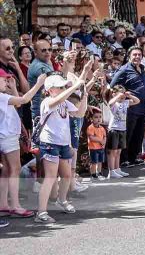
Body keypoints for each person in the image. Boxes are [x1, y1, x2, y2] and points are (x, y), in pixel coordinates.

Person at [35, 73, 98, 224]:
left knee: (66, 176)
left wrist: (84, 95)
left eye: (64, 86)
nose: (64, 88)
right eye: (60, 86)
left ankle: (61, 200)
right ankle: (41, 212)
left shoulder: (64, 103)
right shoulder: (47, 101)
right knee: (50, 177)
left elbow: (79, 112)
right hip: (50, 143)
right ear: (50, 89)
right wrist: (75, 86)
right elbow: (57, 100)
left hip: (64, 143)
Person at [0, 70, 46, 218]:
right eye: (4, 80)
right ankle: (15, 205)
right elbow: (25, 100)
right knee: (15, 169)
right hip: (8, 136)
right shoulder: (2, 97)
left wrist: (13, 88)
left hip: (6, 136)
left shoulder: (4, 97)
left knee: (7, 170)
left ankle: (3, 204)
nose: (6, 82)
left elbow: (17, 105)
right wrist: (39, 83)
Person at [109, 46, 145, 166]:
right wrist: (124, 95)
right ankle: (124, 159)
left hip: (143, 106)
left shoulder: (142, 68)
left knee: (139, 133)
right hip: (130, 106)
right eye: (134, 55)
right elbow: (113, 85)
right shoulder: (124, 69)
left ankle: (134, 156)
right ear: (129, 56)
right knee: (129, 134)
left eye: (139, 55)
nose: (137, 57)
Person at [103, 85, 139, 179]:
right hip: (114, 129)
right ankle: (111, 171)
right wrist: (117, 97)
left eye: (123, 93)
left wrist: (129, 96)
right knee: (113, 151)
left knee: (118, 151)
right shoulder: (114, 103)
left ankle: (117, 168)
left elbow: (137, 101)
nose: (122, 96)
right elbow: (109, 103)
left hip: (122, 129)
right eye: (121, 93)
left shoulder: (125, 102)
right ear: (114, 94)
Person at [86, 110, 108, 181]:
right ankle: (93, 174)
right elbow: (91, 138)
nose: (98, 119)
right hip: (93, 148)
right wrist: (100, 140)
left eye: (100, 117)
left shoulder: (102, 128)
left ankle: (99, 173)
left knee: (100, 161)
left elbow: (104, 136)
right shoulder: (91, 127)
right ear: (91, 118)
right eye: (96, 117)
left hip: (101, 148)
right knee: (94, 162)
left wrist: (104, 142)